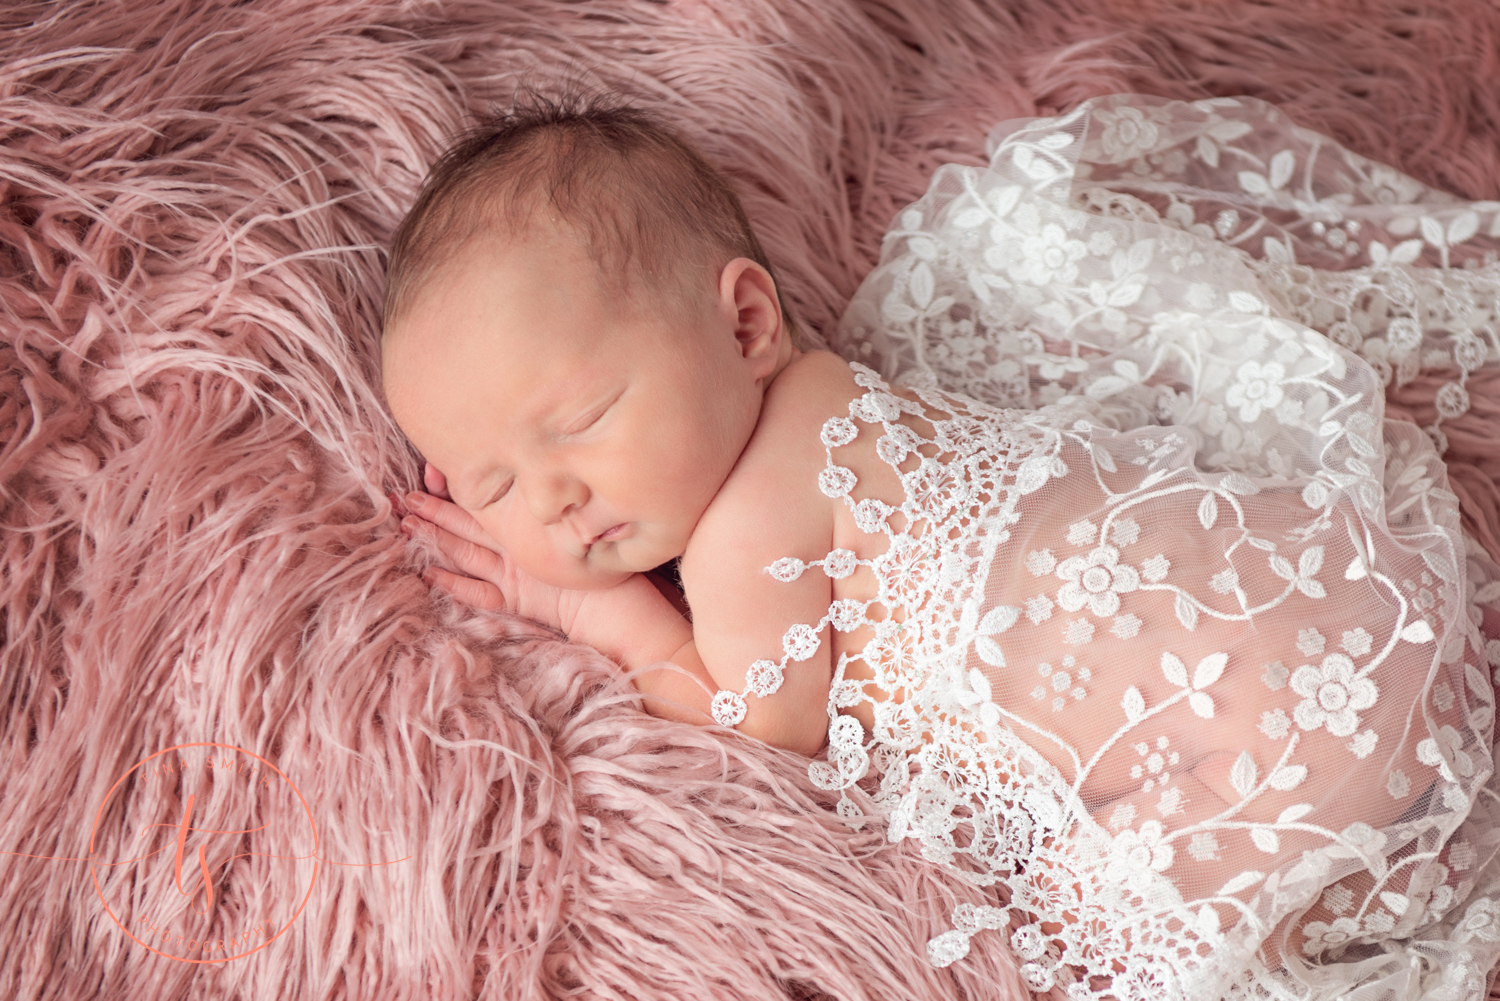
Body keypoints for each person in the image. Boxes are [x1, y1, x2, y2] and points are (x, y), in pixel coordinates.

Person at [382, 94, 1500, 1000]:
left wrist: (600, 614)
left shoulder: (746, 535)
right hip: (1340, 594)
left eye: (579, 421)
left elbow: (760, 729)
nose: (560, 497)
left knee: (1102, 957)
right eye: (498, 486)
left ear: (744, 325)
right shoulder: (844, 395)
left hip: (1254, 755)